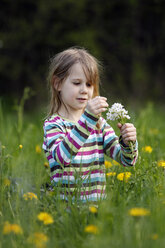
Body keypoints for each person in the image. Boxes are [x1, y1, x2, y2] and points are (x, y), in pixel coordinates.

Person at [42, 47, 138, 203]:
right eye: (77, 83)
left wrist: (128, 143)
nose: (84, 90)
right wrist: (88, 119)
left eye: (89, 84)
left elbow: (127, 161)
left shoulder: (99, 124)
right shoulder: (54, 124)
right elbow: (62, 157)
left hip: (96, 210)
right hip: (65, 212)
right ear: (57, 83)